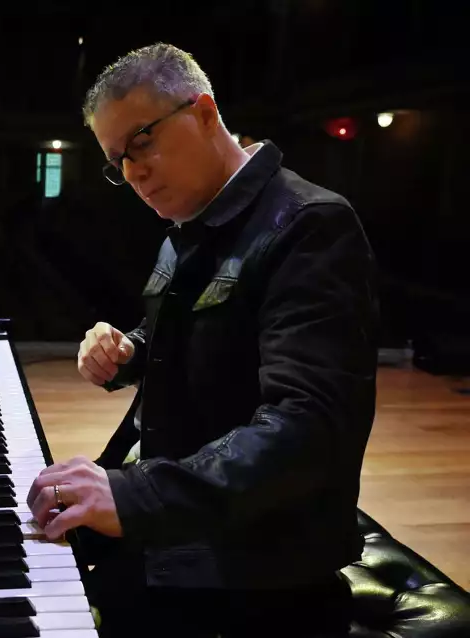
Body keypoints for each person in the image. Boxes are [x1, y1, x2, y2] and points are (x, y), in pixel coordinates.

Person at [26, 43, 378, 637]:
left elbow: (311, 426)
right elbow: (190, 331)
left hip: (253, 554)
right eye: (118, 160)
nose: (133, 172)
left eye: (142, 140)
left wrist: (136, 497)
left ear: (205, 111)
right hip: (188, 509)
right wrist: (130, 350)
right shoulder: (188, 224)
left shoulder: (309, 224)